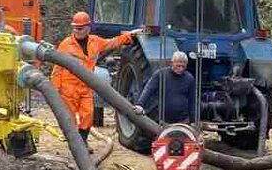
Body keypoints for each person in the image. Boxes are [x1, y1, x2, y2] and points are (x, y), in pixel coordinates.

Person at [50, 11, 140, 142]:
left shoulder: (95, 41)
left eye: (80, 28)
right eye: (75, 28)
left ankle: (83, 141)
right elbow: (57, 67)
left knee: (88, 116)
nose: (77, 31)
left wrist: (129, 36)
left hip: (86, 86)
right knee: (69, 119)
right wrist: (55, 88)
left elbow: (112, 42)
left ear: (88, 28)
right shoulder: (66, 44)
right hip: (68, 88)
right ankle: (76, 146)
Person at [135, 50, 198, 123]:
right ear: (171, 63)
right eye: (178, 66)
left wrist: (193, 120)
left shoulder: (189, 78)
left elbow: (192, 100)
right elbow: (148, 90)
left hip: (182, 120)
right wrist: (140, 104)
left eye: (183, 66)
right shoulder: (160, 74)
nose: (180, 69)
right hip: (162, 120)